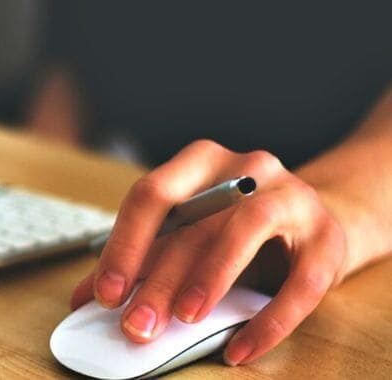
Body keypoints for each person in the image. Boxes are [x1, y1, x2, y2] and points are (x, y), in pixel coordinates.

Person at [36, 2, 392, 367]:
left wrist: (329, 210)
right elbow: (67, 64)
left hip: (321, 173)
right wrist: (37, 202)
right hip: (128, 185)